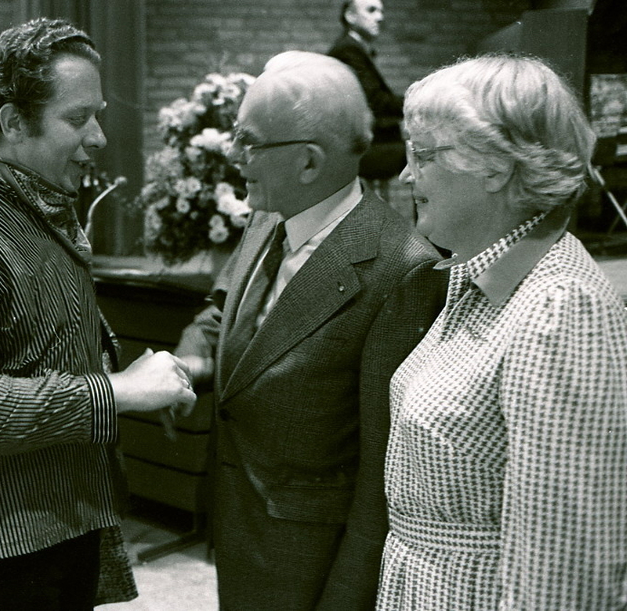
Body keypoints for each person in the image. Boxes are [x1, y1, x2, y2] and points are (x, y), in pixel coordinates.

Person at [0, 18, 196, 610]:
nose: (99, 137)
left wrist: (131, 379)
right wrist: (118, 391)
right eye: (78, 118)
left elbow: (40, 348)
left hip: (59, 521)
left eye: (98, 114)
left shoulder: (33, 207)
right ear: (13, 122)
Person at [174, 51, 445, 610]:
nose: (233, 154)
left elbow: (381, 478)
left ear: (307, 162)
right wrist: (191, 360)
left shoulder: (401, 269)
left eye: (248, 141)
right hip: (239, 527)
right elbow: (224, 314)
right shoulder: (267, 215)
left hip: (308, 562)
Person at [377, 54, 627, 610]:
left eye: (423, 154)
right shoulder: (479, 273)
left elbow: (568, 574)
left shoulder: (563, 308)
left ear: (493, 165)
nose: (406, 175)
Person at [328, 0, 406, 204]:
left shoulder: (353, 48)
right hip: (356, 150)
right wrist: (417, 101)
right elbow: (377, 103)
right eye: (371, 10)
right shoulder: (348, 50)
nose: (380, 17)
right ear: (350, 16)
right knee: (419, 155)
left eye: (381, 11)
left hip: (362, 144)